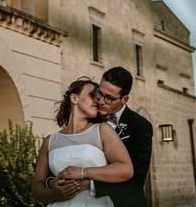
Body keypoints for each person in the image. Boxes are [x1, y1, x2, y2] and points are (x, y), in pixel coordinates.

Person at [32, 78, 132, 206]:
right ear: (74, 98)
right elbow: (36, 188)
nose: (98, 100)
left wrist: (83, 172)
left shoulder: (102, 130)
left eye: (99, 96)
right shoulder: (49, 141)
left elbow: (126, 169)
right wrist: (54, 194)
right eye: (93, 95)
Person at [90, 67, 153, 207]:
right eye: (100, 93)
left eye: (109, 98)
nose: (101, 101)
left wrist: (91, 186)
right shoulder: (90, 119)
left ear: (124, 99)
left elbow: (136, 181)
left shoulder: (140, 126)